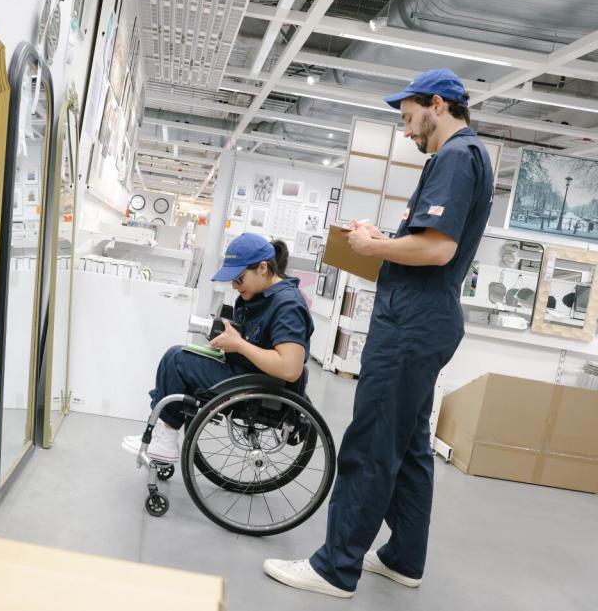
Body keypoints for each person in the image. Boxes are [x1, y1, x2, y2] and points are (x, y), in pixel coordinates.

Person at [263, 69, 494, 598]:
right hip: (422, 316)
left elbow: (437, 249)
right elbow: (428, 242)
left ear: (439, 105)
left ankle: (334, 567)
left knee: (370, 445)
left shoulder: (458, 157)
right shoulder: (462, 158)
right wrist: (383, 239)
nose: (408, 133)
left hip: (412, 324)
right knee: (410, 445)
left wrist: (372, 247)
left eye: (411, 119)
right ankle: (404, 557)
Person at [121, 233, 314, 461]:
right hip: (247, 369)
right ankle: (163, 435)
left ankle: (166, 440)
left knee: (177, 359)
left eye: (239, 278)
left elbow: (289, 368)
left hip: (257, 381)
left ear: (263, 268)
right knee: (177, 356)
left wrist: (240, 345)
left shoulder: (287, 304)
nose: (234, 285)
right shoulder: (261, 295)